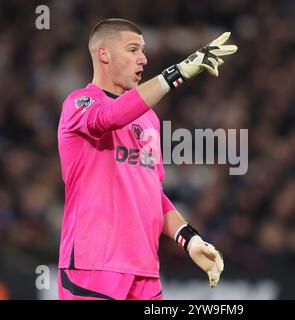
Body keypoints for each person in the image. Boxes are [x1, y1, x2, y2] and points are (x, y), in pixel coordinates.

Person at [57, 18, 237, 300]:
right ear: (104, 54)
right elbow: (111, 117)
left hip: (145, 274)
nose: (143, 58)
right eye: (133, 50)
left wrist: (190, 239)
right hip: (94, 267)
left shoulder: (148, 118)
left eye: (143, 50)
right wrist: (176, 74)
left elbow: (154, 193)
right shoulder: (79, 103)